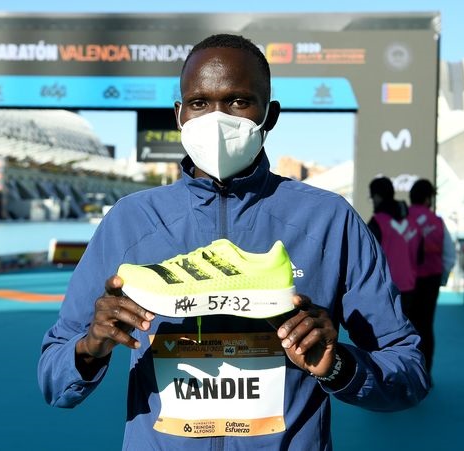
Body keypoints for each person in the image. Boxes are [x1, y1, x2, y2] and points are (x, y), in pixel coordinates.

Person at [37, 34, 429, 450]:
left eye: (238, 102)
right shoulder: (130, 221)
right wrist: (91, 345)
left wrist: (337, 366)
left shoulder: (329, 220)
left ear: (270, 115)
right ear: (179, 115)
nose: (217, 119)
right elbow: (54, 379)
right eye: (199, 103)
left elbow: (408, 370)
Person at [407, 179, 456, 376]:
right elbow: (449, 254)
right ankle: (425, 373)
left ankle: (407, 372)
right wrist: (442, 278)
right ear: (428, 198)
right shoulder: (437, 221)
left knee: (405, 327)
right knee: (426, 326)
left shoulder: (402, 219)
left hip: (407, 282)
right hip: (431, 280)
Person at [367, 176, 422, 316]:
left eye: (372, 198)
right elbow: (420, 257)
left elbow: (367, 257)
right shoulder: (413, 222)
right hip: (410, 288)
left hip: (385, 288)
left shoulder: (377, 222)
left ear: (377, 197)